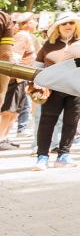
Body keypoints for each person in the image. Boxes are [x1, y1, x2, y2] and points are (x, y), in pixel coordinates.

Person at [32, 13, 80, 170]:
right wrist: (36, 84)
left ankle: (63, 156)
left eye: (71, 23)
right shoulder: (48, 45)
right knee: (47, 122)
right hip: (53, 89)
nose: (68, 26)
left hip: (77, 89)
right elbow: (36, 68)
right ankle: (42, 157)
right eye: (64, 23)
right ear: (58, 27)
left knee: (71, 123)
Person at [0, 13, 37, 150]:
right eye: (34, 20)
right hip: (14, 77)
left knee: (15, 111)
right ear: (27, 23)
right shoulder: (22, 36)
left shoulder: (27, 36)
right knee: (8, 110)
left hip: (21, 79)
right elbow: (10, 56)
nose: (36, 23)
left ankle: (4, 137)